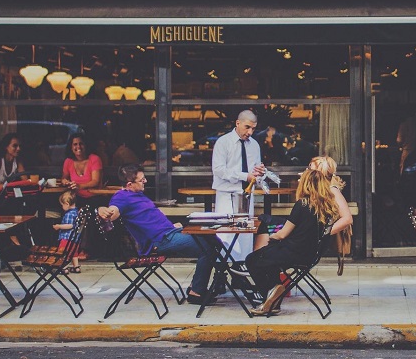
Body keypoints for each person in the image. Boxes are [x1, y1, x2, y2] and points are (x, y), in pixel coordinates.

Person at [98, 164, 216, 305]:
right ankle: (197, 292)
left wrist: (171, 226)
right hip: (160, 241)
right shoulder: (122, 197)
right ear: (129, 184)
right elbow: (113, 212)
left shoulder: (138, 194)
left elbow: (150, 219)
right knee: (209, 246)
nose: (145, 181)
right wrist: (103, 210)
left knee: (213, 239)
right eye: (141, 180)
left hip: (169, 232)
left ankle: (196, 287)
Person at [245, 169, 338, 316]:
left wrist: (271, 237)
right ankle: (273, 300)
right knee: (269, 259)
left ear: (306, 184)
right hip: (309, 255)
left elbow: (283, 234)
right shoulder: (327, 207)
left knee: (252, 259)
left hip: (293, 253)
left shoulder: (302, 205)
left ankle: (270, 293)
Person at [211, 110, 265, 260]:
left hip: (247, 196)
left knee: (245, 236)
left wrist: (260, 173)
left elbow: (256, 173)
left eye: (253, 129)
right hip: (226, 194)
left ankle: (240, 272)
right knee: (225, 235)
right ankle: (221, 275)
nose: (250, 132)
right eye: (247, 127)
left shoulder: (254, 145)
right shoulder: (223, 142)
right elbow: (219, 170)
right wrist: (244, 175)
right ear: (237, 123)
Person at [53, 190, 81, 274]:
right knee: (74, 253)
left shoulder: (69, 214)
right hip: (75, 238)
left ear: (67, 204)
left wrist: (59, 226)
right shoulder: (76, 212)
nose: (62, 207)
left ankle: (63, 267)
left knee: (63, 253)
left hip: (67, 238)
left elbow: (70, 225)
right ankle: (76, 266)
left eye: (62, 205)